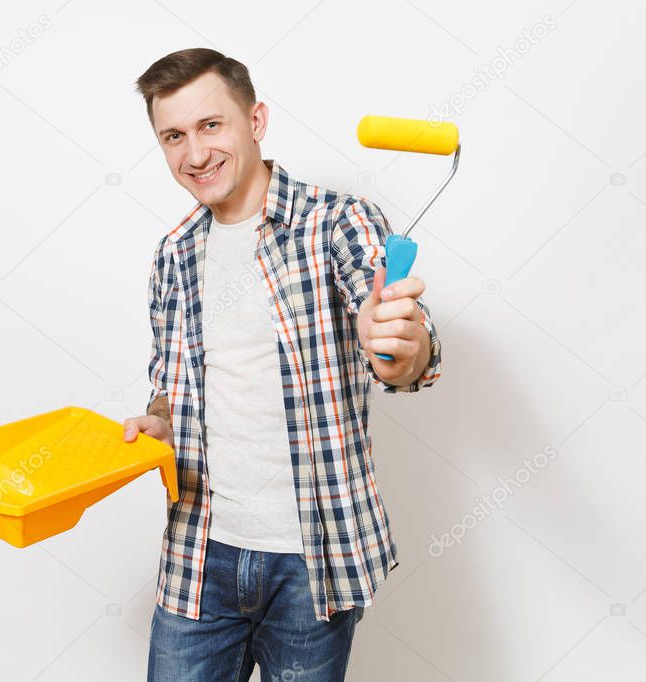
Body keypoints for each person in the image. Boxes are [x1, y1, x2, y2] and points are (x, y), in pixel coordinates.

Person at [122, 48, 443, 681]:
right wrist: (160, 421)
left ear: (256, 120)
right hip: (199, 551)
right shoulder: (174, 254)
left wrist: (402, 347)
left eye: (211, 125)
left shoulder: (337, 223)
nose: (194, 154)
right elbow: (169, 382)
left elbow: (402, 350)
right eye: (174, 136)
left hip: (311, 561)